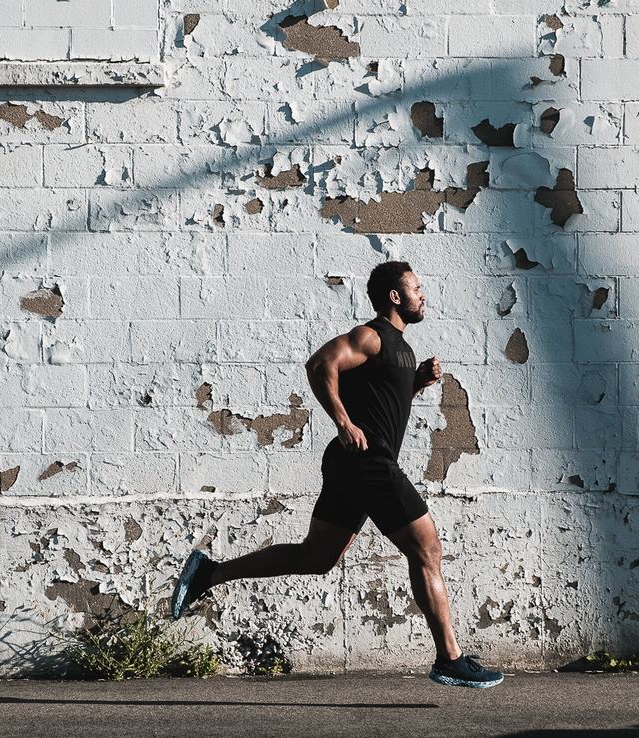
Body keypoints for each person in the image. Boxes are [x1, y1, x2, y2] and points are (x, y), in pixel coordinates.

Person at [170, 260, 504, 688]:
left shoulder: (401, 347)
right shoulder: (371, 335)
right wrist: (343, 422)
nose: (424, 295)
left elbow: (380, 400)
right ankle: (450, 658)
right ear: (395, 297)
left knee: (317, 557)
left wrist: (416, 382)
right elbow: (320, 364)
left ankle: (207, 574)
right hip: (369, 463)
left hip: (355, 466)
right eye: (416, 288)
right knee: (427, 550)